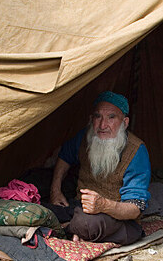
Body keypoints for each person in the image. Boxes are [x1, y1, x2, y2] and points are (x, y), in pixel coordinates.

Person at [48, 91, 151, 245]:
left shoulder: (137, 151)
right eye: (98, 117)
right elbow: (65, 156)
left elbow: (135, 208)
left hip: (118, 217)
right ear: (91, 119)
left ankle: (69, 228)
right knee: (41, 210)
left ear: (125, 122)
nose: (103, 125)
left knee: (88, 225)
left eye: (111, 117)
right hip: (80, 207)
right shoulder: (85, 136)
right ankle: (73, 227)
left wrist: (103, 205)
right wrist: (55, 191)